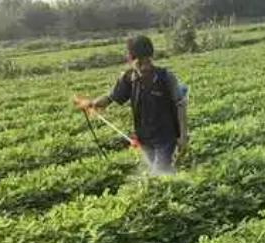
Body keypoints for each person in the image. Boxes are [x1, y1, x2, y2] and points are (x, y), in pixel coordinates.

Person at [76, 35, 189, 176]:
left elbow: (180, 105)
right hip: (144, 138)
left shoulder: (166, 77)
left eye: (147, 61)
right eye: (140, 62)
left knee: (160, 174)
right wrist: (91, 104)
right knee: (158, 173)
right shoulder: (129, 78)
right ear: (132, 59)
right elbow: (110, 97)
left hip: (165, 138)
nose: (144, 66)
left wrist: (183, 136)